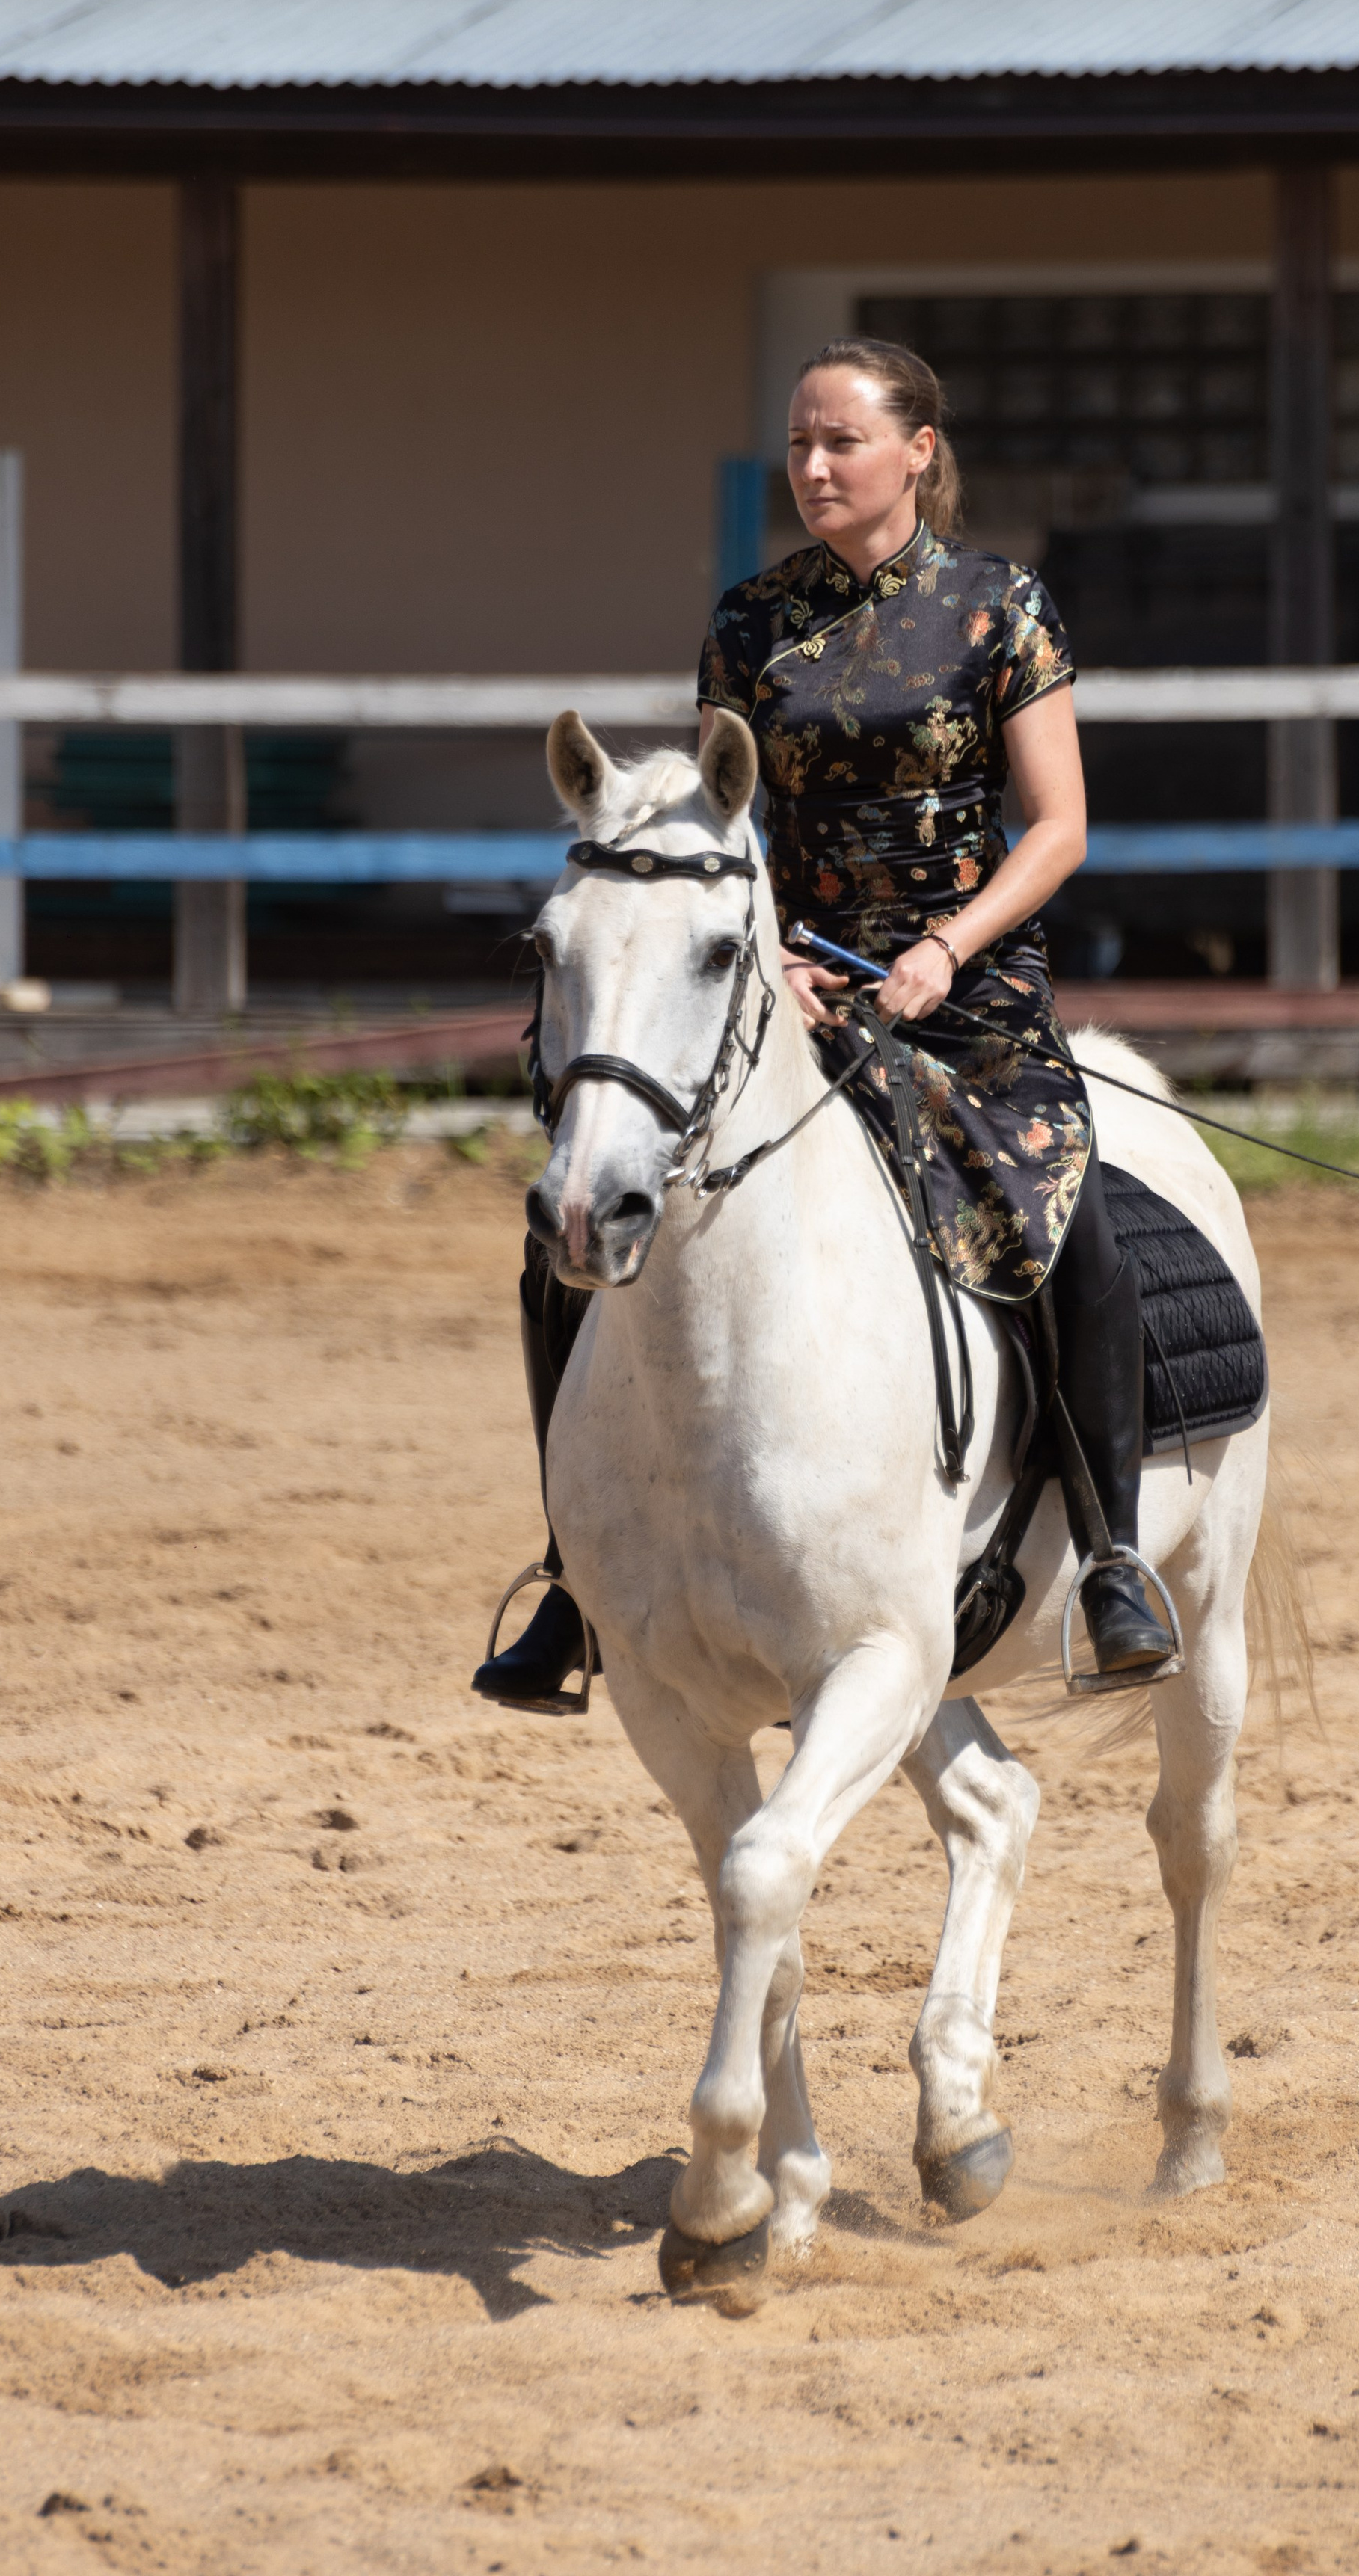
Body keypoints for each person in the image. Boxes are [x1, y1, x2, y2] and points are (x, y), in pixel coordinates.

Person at [473, 336, 1177, 1712]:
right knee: (568, 1229)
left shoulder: (1003, 608)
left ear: (918, 450)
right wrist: (780, 963)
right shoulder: (749, 624)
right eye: (799, 444)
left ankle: (1111, 1557)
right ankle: (577, 1577)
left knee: (1062, 1212)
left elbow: (1062, 827)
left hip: (966, 994)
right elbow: (714, 833)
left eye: (841, 442)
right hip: (786, 991)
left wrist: (943, 948)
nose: (812, 467)